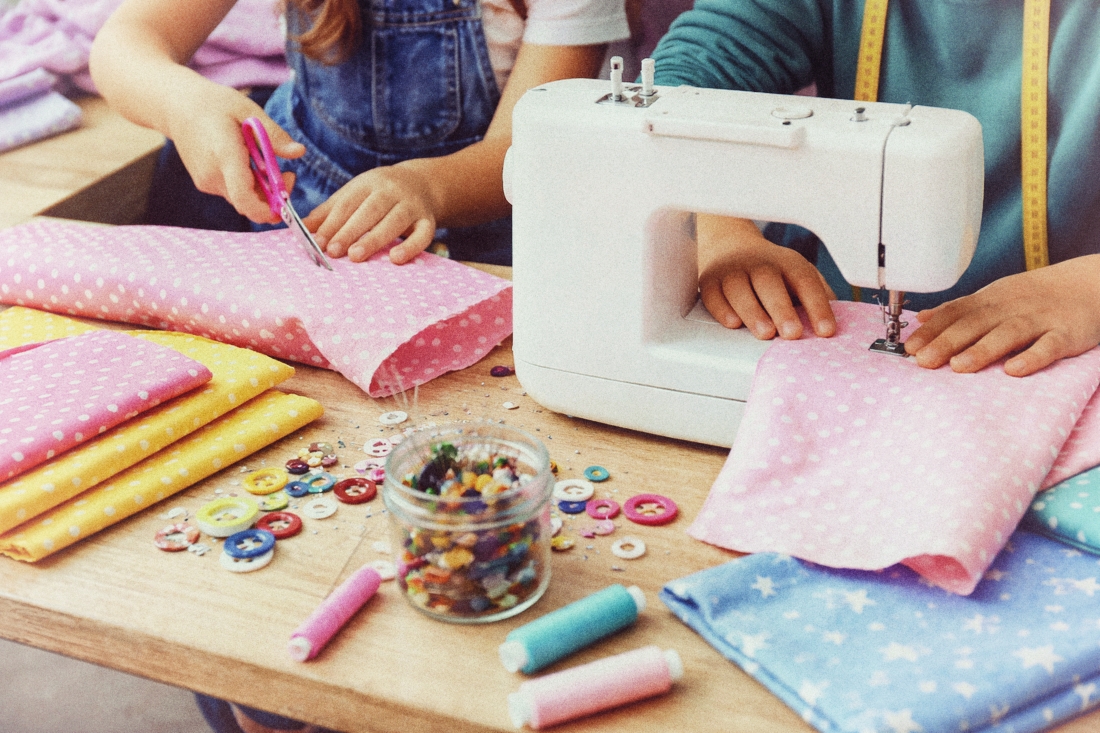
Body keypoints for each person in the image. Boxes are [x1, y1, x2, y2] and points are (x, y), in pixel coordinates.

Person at [650, 0, 1100, 378]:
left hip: (1072, 349)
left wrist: (1089, 287)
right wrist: (717, 229)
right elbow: (673, 91)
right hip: (829, 312)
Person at [89, 0, 629, 266]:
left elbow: (526, 148)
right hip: (300, 228)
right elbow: (124, 43)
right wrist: (182, 104)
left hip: (491, 252)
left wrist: (430, 188)